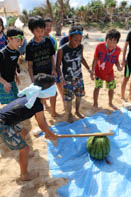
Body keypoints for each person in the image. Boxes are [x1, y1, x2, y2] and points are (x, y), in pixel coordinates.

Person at [0, 73, 58, 181]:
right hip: (3, 124)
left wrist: (48, 132)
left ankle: (26, 151)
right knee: (24, 149)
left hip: (6, 120)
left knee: (23, 131)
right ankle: (24, 175)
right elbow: (41, 123)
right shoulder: (37, 104)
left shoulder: (31, 95)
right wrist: (49, 133)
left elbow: (42, 120)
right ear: (46, 93)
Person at [56, 25, 91, 123]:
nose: (78, 43)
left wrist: (89, 69)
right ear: (69, 38)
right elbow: (58, 66)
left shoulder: (81, 47)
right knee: (68, 98)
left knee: (79, 95)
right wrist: (61, 77)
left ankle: (77, 111)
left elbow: (82, 58)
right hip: (67, 79)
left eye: (80, 40)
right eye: (76, 40)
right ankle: (69, 114)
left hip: (79, 77)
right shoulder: (61, 50)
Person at [26, 16, 57, 117]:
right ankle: (43, 114)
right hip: (38, 76)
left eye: (42, 30)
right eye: (37, 31)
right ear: (32, 31)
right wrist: (32, 80)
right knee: (40, 97)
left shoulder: (48, 41)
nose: (40, 33)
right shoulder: (30, 46)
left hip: (49, 72)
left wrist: (53, 69)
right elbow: (29, 65)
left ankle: (53, 112)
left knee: (53, 93)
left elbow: (52, 57)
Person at [90, 29, 122, 109]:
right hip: (99, 72)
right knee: (97, 88)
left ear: (117, 42)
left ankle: (110, 102)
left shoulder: (118, 50)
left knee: (111, 88)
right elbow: (95, 59)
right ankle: (95, 103)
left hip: (109, 73)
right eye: (109, 41)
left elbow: (116, 60)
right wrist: (92, 71)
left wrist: (118, 66)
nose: (111, 44)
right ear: (106, 39)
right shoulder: (100, 46)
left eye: (114, 42)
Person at [44, 17, 65, 109]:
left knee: (59, 82)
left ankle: (64, 100)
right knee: (46, 86)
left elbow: (55, 52)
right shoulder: (40, 39)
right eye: (46, 25)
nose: (48, 28)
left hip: (54, 64)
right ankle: (44, 104)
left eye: (50, 26)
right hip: (45, 66)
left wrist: (56, 66)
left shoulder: (52, 38)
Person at [0, 27, 24, 104]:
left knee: (16, 100)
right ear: (9, 39)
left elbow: (13, 66)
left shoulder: (16, 53)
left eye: (21, 41)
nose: (20, 43)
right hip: (2, 83)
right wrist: (4, 83)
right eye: (17, 41)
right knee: (12, 104)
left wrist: (16, 76)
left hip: (12, 81)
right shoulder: (2, 54)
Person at [121, 30, 131, 101]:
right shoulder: (130, 33)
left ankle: (130, 95)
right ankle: (122, 96)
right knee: (126, 78)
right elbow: (125, 46)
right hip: (130, 60)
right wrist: (123, 59)